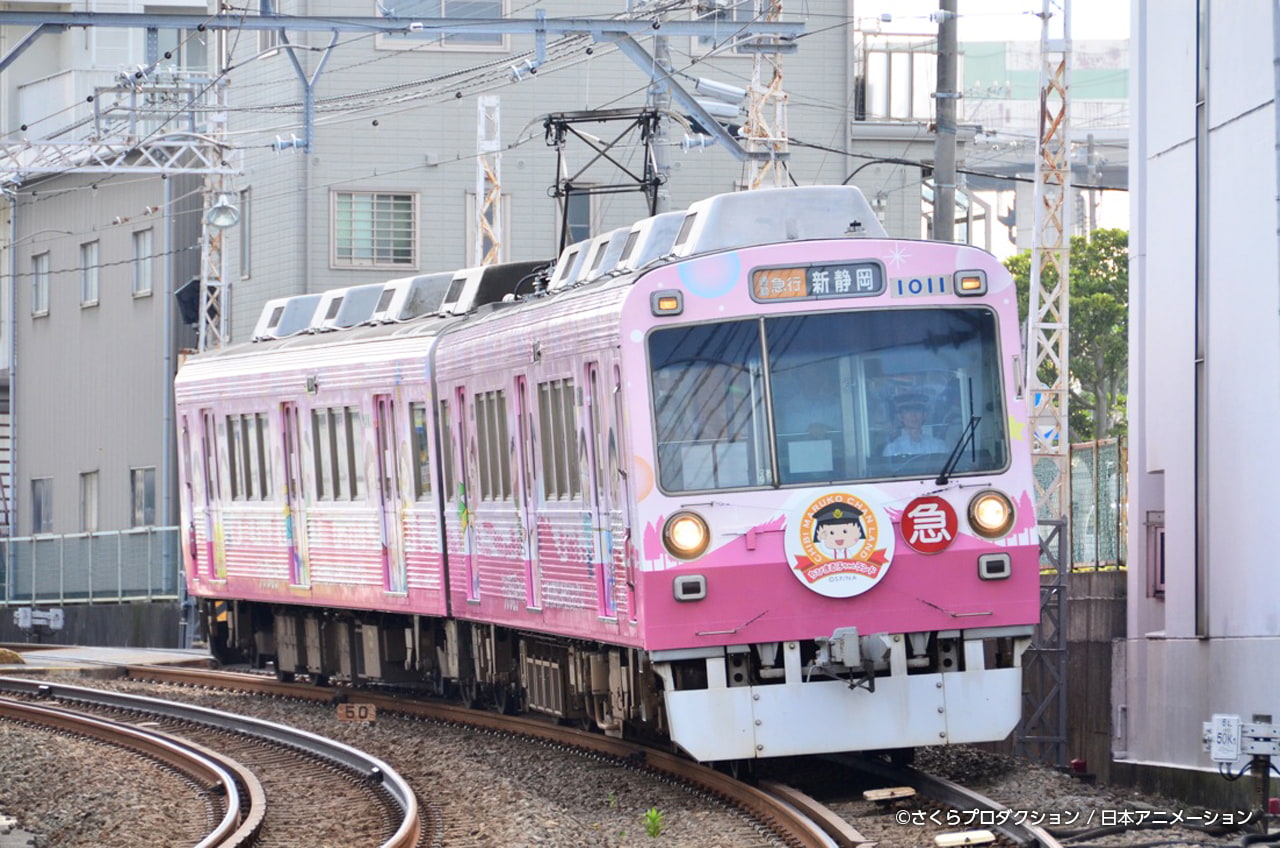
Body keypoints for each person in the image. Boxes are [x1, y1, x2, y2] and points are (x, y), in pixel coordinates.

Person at [882, 393, 948, 456]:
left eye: (917, 410)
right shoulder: (892, 450)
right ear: (900, 416)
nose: (913, 415)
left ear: (925, 415)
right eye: (908, 410)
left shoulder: (939, 447)